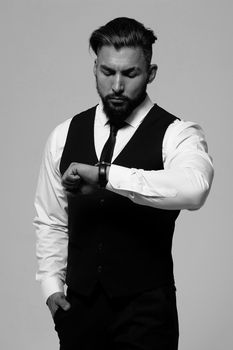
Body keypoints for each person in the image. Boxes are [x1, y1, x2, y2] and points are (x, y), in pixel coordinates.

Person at [34, 17, 214, 350]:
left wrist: (105, 175)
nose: (117, 85)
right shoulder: (63, 135)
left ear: (151, 73)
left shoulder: (177, 134)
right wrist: (51, 287)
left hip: (147, 312)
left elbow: (195, 187)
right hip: (80, 311)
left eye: (130, 74)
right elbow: (52, 219)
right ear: (95, 68)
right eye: (107, 72)